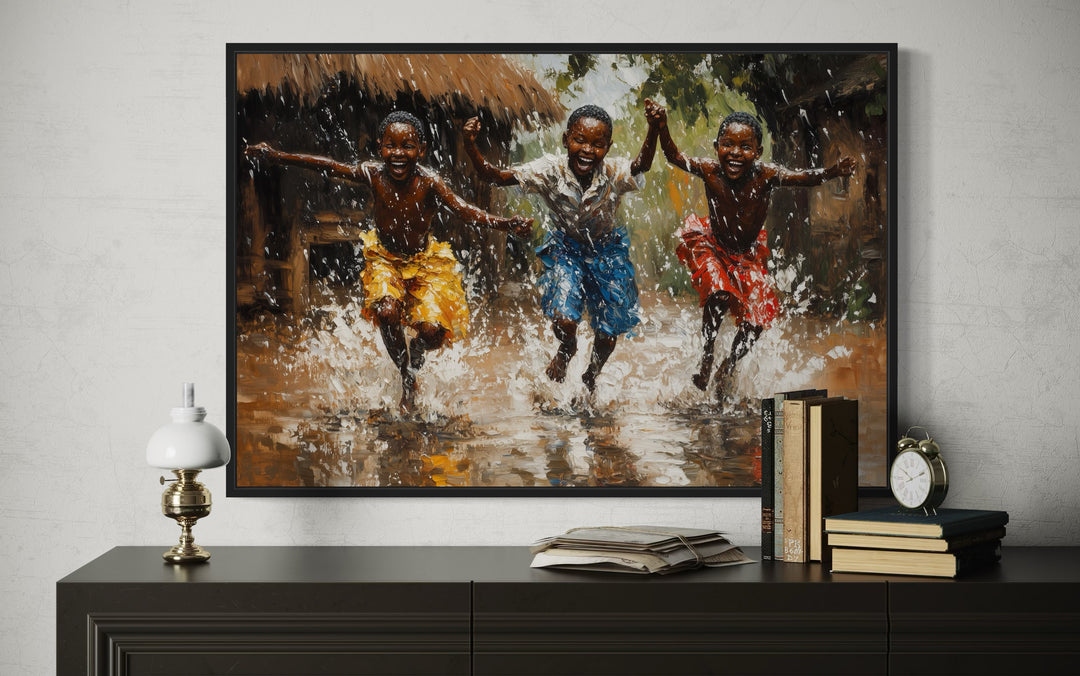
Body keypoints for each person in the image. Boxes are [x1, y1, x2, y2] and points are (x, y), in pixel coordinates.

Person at [245, 111, 533, 413]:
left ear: (421, 150)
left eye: (407, 146)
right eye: (390, 146)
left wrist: (506, 224)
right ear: (380, 147)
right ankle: (407, 377)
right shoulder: (373, 174)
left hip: (426, 263)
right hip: (386, 259)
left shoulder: (429, 182)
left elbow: (465, 210)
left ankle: (417, 353)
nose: (398, 154)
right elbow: (329, 166)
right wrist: (277, 156)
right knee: (386, 311)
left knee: (434, 333)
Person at [651, 107, 856, 403]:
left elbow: (802, 178)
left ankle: (729, 365)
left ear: (758, 151)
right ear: (716, 147)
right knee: (719, 293)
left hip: (746, 256)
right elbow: (674, 157)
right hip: (714, 247)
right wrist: (661, 126)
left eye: (745, 147)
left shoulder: (766, 175)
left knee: (757, 319)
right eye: (728, 145)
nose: (735, 153)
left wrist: (831, 172)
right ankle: (707, 355)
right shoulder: (709, 170)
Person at [462, 101, 663, 393]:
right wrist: (470, 145)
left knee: (607, 335)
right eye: (579, 140)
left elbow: (641, 165)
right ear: (566, 139)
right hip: (567, 249)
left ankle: (591, 375)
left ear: (608, 147)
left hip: (607, 252)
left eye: (597, 144)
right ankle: (567, 349)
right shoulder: (549, 171)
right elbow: (493, 176)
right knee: (564, 319)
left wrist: (654, 131)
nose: (587, 150)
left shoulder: (612, 171)